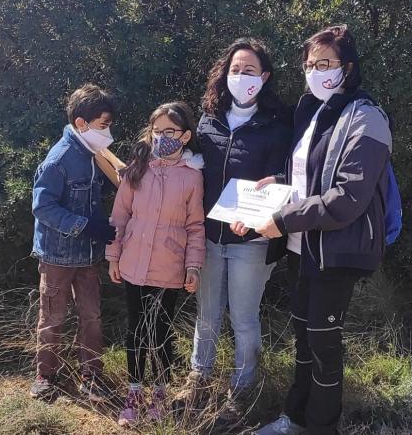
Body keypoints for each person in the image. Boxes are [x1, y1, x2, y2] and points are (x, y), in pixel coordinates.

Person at [252, 25, 393, 435]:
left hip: (337, 250)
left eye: (325, 63)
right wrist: (278, 183)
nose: (315, 71)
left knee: (324, 344)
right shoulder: (314, 111)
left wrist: (280, 220)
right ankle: (294, 419)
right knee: (303, 338)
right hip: (304, 247)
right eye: (310, 64)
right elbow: (308, 177)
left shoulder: (367, 118)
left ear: (347, 67)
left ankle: (320, 427)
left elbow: (347, 197)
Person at [171, 38, 291, 422]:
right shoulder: (208, 119)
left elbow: (289, 177)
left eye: (250, 70)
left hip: (250, 240)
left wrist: (259, 214)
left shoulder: (278, 124)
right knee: (207, 314)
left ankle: (241, 394)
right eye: (235, 70)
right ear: (225, 75)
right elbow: (195, 164)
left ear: (265, 77)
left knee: (243, 317)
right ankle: (198, 379)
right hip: (208, 235)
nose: (241, 77)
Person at [106, 101, 206, 427]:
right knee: (135, 330)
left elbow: (195, 227)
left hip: (169, 268)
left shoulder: (192, 177)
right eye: (157, 130)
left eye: (170, 131)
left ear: (186, 135)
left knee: (160, 332)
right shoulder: (137, 168)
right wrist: (113, 255)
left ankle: (160, 393)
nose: (162, 137)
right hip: (134, 263)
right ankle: (134, 392)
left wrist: (193, 266)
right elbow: (119, 216)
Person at [30, 84, 119, 402]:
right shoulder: (60, 159)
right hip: (57, 255)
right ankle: (46, 376)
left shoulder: (95, 154)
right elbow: (42, 207)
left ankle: (91, 375)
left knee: (91, 315)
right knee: (52, 316)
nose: (108, 132)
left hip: (87, 256)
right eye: (103, 125)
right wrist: (84, 226)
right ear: (82, 123)